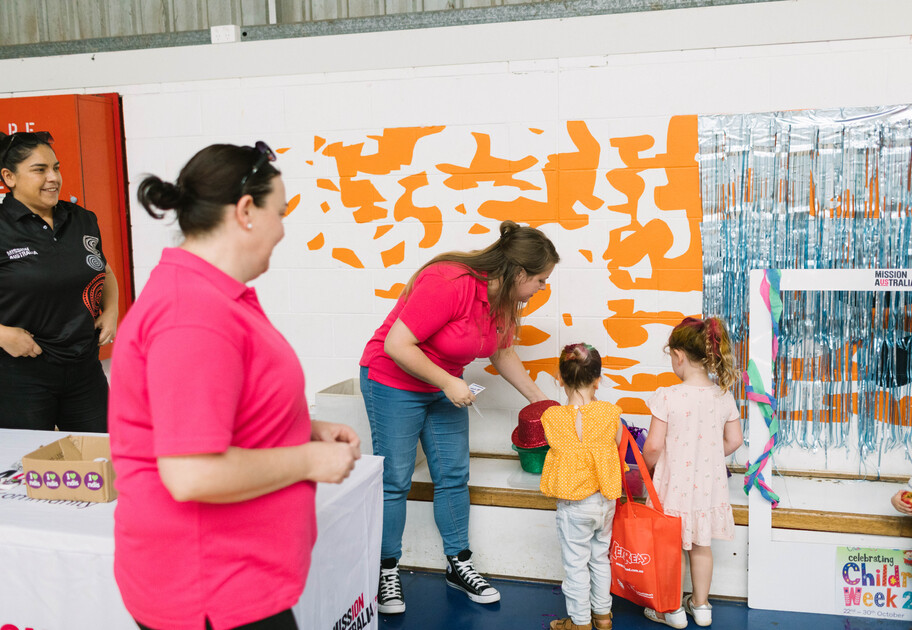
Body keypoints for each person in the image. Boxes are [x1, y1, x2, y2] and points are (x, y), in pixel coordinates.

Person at [107, 142, 361, 630]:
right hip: (211, 590)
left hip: (235, 579)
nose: (283, 229)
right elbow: (192, 474)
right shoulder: (193, 314)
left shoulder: (214, 297)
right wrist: (310, 460)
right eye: (280, 212)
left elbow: (225, 404)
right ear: (246, 210)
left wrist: (301, 427)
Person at [360, 219, 560, 614]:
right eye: (540, 280)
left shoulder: (502, 302)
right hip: (392, 381)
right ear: (519, 272)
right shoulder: (449, 281)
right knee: (395, 480)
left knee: (453, 475)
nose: (541, 288)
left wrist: (542, 402)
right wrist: (448, 383)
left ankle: (458, 563)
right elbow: (399, 345)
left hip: (443, 386)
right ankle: (386, 571)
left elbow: (501, 353)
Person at [0, 131, 119, 431]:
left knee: (97, 463)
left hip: (84, 371)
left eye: (56, 168)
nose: (53, 178)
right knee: (28, 469)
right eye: (39, 170)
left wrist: (113, 309)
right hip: (20, 376)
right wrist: (2, 335)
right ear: (9, 177)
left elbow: (102, 270)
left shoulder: (81, 219)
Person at [641, 316, 743, 628]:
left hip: (673, 487)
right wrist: (710, 455)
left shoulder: (668, 396)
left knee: (670, 550)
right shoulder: (723, 396)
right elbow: (735, 440)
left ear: (679, 356)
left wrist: (645, 466)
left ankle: (671, 609)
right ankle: (701, 606)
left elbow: (654, 446)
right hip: (707, 489)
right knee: (701, 547)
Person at [539, 343, 624, 630]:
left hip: (574, 505)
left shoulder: (552, 417)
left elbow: (558, 446)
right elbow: (617, 447)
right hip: (605, 501)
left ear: (560, 380)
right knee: (600, 559)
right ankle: (602, 616)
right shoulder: (611, 413)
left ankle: (579, 622)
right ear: (598, 379)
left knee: (576, 565)